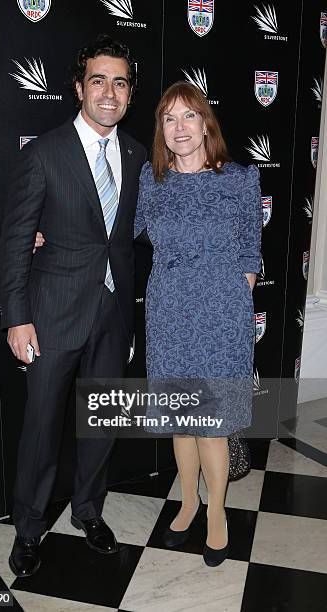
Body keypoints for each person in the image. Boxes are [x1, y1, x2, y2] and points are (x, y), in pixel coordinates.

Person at [0, 35, 146, 577]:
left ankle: (88, 509)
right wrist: (17, 317)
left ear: (130, 93)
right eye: (99, 80)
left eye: (121, 82)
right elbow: (15, 241)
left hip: (112, 314)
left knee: (101, 423)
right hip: (53, 312)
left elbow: (132, 233)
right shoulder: (44, 153)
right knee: (40, 428)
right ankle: (29, 528)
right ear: (80, 87)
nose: (110, 92)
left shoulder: (134, 153)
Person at [134, 82, 262, 566]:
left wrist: (235, 290)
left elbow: (251, 245)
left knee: (211, 423)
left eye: (189, 116)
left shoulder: (240, 179)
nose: (180, 128)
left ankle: (216, 513)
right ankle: (187, 501)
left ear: (206, 123)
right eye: (169, 119)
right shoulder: (152, 178)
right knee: (179, 418)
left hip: (220, 315)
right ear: (161, 131)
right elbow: (116, 229)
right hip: (168, 310)